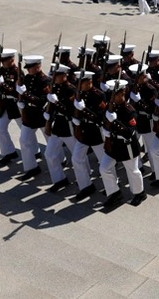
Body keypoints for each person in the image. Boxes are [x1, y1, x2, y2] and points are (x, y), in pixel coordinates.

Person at [99, 79, 147, 208]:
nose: (117, 97)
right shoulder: (110, 107)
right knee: (104, 168)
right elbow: (103, 120)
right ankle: (115, 193)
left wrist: (115, 122)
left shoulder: (129, 110)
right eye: (114, 95)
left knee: (133, 170)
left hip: (127, 146)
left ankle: (140, 193)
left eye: (119, 95)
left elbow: (129, 132)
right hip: (113, 144)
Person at [70, 71, 106, 202]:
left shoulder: (99, 95)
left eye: (82, 83)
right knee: (76, 158)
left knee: (104, 162)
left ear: (89, 82)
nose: (79, 86)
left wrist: (84, 110)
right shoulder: (79, 94)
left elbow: (100, 117)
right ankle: (85, 185)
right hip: (83, 131)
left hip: (95, 132)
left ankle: (113, 185)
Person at [16, 55, 51, 180]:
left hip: (40, 115)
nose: (28, 70)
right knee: (24, 141)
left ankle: (61, 160)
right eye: (27, 68)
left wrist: (25, 94)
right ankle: (31, 167)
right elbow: (22, 93)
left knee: (50, 141)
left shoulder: (45, 81)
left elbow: (42, 101)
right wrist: (20, 100)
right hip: (29, 114)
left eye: (30, 68)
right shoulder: (27, 78)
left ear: (38, 66)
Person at [43, 64, 76, 193]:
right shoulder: (54, 88)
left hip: (68, 127)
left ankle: (85, 178)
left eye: (56, 76)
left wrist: (57, 103)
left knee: (78, 157)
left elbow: (70, 111)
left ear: (63, 76)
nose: (54, 78)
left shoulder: (71, 90)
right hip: (57, 126)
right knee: (49, 154)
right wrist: (48, 112)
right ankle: (59, 179)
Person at [0, 48, 22, 165]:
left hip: (15, 104)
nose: (3, 62)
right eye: (2, 60)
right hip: (5, 104)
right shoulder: (1, 70)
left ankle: (35, 152)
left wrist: (2, 84)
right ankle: (9, 152)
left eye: (5, 60)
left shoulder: (17, 72)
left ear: (12, 59)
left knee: (25, 130)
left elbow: (16, 92)